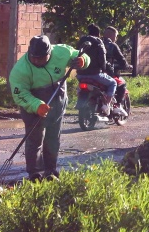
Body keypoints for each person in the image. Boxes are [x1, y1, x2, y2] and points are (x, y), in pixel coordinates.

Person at [9, 34, 89, 180]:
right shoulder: (20, 70)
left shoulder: (61, 52)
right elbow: (20, 94)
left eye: (41, 58)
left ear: (50, 52)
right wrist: (36, 105)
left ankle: (50, 170)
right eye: (34, 58)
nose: (37, 61)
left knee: (53, 139)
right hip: (33, 106)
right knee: (34, 140)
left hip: (57, 103)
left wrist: (82, 60)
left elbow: (79, 54)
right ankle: (35, 173)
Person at [76, 24, 117, 110]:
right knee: (113, 83)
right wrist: (104, 69)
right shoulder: (98, 42)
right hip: (95, 74)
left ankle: (79, 100)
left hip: (80, 75)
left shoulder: (81, 41)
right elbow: (102, 60)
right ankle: (107, 105)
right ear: (98, 34)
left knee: (79, 87)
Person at [102, 25, 129, 103]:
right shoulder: (112, 46)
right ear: (112, 35)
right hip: (108, 73)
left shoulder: (97, 43)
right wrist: (127, 66)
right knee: (122, 84)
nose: (116, 38)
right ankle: (117, 104)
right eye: (116, 36)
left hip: (95, 72)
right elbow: (122, 60)